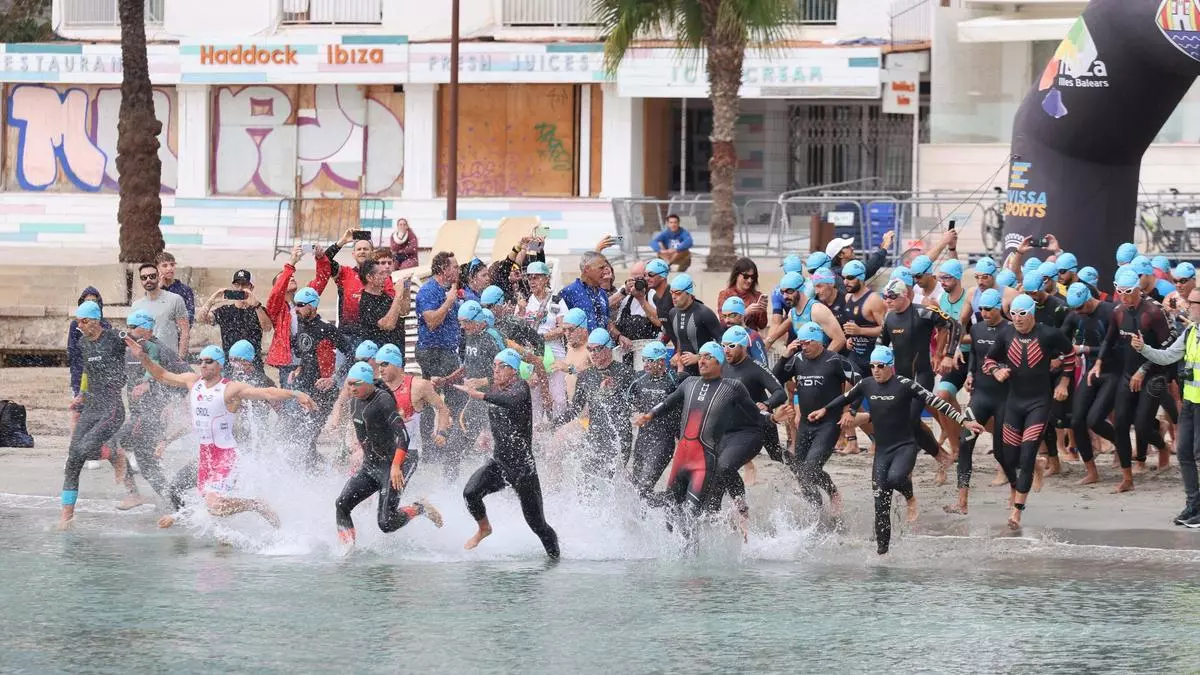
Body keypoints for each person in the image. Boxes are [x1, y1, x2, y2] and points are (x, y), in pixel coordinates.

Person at [810, 345, 981, 554]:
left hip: (904, 446)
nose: (875, 370)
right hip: (882, 451)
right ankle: (882, 555)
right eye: (872, 366)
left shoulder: (904, 384)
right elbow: (844, 399)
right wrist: (823, 410)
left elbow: (936, 402)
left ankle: (910, 498)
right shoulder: (867, 384)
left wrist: (964, 421)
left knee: (896, 477)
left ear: (890, 366)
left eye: (880, 366)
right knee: (880, 503)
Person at [131, 342, 317, 530]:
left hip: (225, 455)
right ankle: (223, 537)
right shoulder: (192, 382)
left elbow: (266, 392)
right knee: (211, 504)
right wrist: (143, 358)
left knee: (215, 506)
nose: (203, 365)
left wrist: (295, 393)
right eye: (201, 360)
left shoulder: (230, 389)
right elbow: (161, 374)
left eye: (209, 361)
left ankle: (256, 504)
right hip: (205, 456)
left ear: (219, 365)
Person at [634, 342, 764, 530]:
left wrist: (774, 417)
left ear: (719, 362)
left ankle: (697, 554)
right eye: (700, 356)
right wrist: (649, 415)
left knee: (690, 517)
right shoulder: (689, 383)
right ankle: (679, 556)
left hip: (702, 464)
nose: (701, 361)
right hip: (681, 460)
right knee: (671, 521)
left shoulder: (732, 387)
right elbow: (667, 403)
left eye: (708, 357)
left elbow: (755, 415)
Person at [456, 349, 560, 559]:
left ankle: (555, 557)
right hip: (499, 464)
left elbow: (511, 402)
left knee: (537, 525)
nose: (495, 371)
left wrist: (482, 395)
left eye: (500, 366)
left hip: (523, 470)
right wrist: (486, 432)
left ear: (513, 370)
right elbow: (498, 411)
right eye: (494, 366)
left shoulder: (520, 387)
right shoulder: (497, 389)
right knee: (470, 493)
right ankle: (484, 528)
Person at [982, 294, 1074, 528]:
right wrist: (996, 372)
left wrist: (1063, 383)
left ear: (1032, 313)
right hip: (1014, 402)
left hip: (1039, 403)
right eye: (1013, 314)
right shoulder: (1005, 334)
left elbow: (1070, 354)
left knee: (1027, 453)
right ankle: (1035, 469)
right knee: (1009, 458)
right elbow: (988, 360)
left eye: (1022, 314)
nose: (1018, 319)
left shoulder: (1048, 334)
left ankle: (1017, 511)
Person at [334, 362, 443, 549]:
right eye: (349, 384)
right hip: (369, 467)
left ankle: (420, 508)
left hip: (391, 468)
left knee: (386, 523)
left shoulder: (382, 400)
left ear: (368, 382)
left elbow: (404, 436)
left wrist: (395, 466)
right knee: (342, 504)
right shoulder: (354, 401)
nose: (352, 388)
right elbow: (365, 431)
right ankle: (348, 550)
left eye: (356, 384)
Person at [1093, 267, 1176, 491]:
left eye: (1129, 291)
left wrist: (1144, 370)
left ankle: (1162, 446)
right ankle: (1127, 478)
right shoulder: (1118, 311)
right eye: (1120, 292)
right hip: (1128, 374)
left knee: (1141, 427)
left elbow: (1167, 348)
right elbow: (1109, 340)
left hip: (1152, 375)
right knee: (1120, 425)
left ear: (1138, 289)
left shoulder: (1153, 313)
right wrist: (1098, 362)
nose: (1125, 296)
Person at [773, 322, 858, 514]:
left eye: (807, 343)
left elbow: (861, 384)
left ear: (819, 342)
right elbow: (775, 377)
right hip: (805, 424)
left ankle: (832, 491)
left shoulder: (835, 360)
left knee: (810, 468)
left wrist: (849, 410)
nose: (803, 347)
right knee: (799, 471)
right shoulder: (798, 360)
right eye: (801, 344)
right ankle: (815, 511)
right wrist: (786, 354)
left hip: (829, 424)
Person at [877, 278, 958, 479]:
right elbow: (880, 347)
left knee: (909, 420)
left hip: (922, 374)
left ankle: (907, 469)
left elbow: (954, 326)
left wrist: (944, 354)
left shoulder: (922, 312)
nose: (888, 301)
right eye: (885, 297)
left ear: (905, 295)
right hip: (901, 377)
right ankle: (942, 458)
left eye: (892, 297)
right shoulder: (889, 318)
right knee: (909, 422)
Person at [1133, 286, 1200, 526]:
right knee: (1184, 454)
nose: (1187, 306)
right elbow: (1167, 356)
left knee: (1198, 453)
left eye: (1193, 303)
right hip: (1191, 402)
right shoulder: (1191, 332)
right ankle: (1193, 505)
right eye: (1189, 302)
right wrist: (1144, 349)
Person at [58, 301, 128, 529]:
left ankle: (115, 455)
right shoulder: (83, 342)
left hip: (112, 408)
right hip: (91, 406)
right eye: (78, 321)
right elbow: (87, 370)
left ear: (96, 320)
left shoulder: (114, 339)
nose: (79, 325)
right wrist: (81, 394)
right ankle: (66, 516)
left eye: (83, 320)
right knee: (73, 458)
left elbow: (139, 346)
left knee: (85, 448)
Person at [945, 289, 1008, 515]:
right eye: (981, 309)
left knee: (1002, 452)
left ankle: (1016, 496)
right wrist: (970, 374)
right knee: (965, 443)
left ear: (999, 307)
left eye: (989, 309)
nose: (984, 313)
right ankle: (961, 501)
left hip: (1004, 397)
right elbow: (975, 354)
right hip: (981, 395)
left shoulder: (1009, 330)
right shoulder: (978, 328)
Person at [116, 311, 187, 510]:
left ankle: (133, 494)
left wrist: (165, 397)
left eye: (134, 327)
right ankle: (180, 507)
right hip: (140, 414)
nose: (129, 331)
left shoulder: (159, 349)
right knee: (147, 465)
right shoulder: (130, 349)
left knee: (112, 442)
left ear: (147, 329)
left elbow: (188, 377)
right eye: (128, 327)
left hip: (150, 416)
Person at [547, 328, 636, 478]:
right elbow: (575, 410)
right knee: (585, 480)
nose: (593, 354)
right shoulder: (585, 376)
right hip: (595, 436)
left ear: (608, 348)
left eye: (597, 349)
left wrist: (612, 392)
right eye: (590, 349)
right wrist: (552, 425)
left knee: (611, 480)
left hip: (619, 437)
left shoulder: (626, 373)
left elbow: (636, 402)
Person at [289, 287, 356, 470]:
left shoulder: (327, 328)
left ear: (312, 306)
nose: (296, 309)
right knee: (299, 429)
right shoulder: (302, 324)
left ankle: (312, 467)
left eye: (301, 305)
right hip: (305, 386)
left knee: (311, 430)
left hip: (324, 390)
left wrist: (334, 378)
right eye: (295, 305)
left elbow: (351, 354)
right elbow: (306, 352)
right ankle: (309, 466)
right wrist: (298, 368)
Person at [719, 325, 786, 505]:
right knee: (723, 465)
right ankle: (737, 503)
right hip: (736, 428)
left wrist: (767, 403)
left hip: (760, 423)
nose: (726, 350)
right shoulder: (723, 365)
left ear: (743, 346)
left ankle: (800, 476)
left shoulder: (756, 368)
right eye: (723, 345)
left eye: (731, 346)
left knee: (778, 456)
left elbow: (780, 392)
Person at [1063, 282, 1121, 486]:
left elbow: (1116, 347)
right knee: (1077, 420)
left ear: (1088, 299)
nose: (1078, 313)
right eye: (1075, 309)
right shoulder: (1075, 315)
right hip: (1091, 373)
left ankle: (1121, 445)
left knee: (1094, 420)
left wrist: (1085, 350)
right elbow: (1061, 340)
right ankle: (1091, 471)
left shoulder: (1110, 311)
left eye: (1080, 308)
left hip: (1113, 372)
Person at [265, 244, 324, 388]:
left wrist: (321, 258)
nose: (291, 276)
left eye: (292, 276)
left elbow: (321, 279)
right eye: (286, 278)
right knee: (290, 405)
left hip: (310, 360)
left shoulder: (305, 300)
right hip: (289, 363)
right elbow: (276, 292)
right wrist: (291, 263)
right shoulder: (276, 310)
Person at [375, 344, 453, 453]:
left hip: (409, 451)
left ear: (397, 364)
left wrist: (441, 433)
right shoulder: (376, 387)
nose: (380, 369)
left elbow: (442, 408)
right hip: (383, 450)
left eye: (384, 364)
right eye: (378, 365)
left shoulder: (418, 386)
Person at [627, 342, 679, 497]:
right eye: (644, 360)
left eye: (650, 360)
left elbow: (683, 407)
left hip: (663, 442)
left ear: (661, 361)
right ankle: (645, 518)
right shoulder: (638, 378)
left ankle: (672, 501)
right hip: (642, 441)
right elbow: (627, 402)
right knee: (635, 488)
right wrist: (635, 413)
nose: (646, 364)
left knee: (643, 489)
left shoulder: (674, 380)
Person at [317, 228, 395, 328]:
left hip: (375, 331)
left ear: (372, 254)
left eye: (365, 249)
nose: (362, 251)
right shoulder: (344, 272)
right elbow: (325, 260)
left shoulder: (383, 276)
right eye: (359, 249)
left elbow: (391, 303)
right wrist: (343, 241)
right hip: (348, 332)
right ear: (353, 254)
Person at [197, 269, 271, 371]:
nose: (240, 288)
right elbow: (201, 319)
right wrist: (211, 301)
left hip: (253, 365)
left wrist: (256, 305)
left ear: (251, 287)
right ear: (233, 287)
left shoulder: (258, 310)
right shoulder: (224, 311)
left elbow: (267, 328)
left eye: (244, 284)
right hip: (230, 366)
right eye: (237, 285)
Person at [664, 274, 724, 378]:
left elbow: (722, 343)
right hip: (684, 371)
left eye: (678, 293)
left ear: (689, 293)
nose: (673, 297)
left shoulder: (704, 313)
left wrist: (699, 357)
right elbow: (680, 339)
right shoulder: (672, 313)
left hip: (704, 371)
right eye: (672, 293)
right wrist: (678, 354)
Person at [131, 262, 190, 357]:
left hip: (169, 358)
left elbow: (185, 331)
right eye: (144, 277)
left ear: (159, 277)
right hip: (146, 359)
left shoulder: (175, 299)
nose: (148, 280)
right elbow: (134, 334)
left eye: (152, 276)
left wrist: (180, 358)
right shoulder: (136, 305)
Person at [842, 260, 887, 374]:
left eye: (850, 278)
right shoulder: (848, 298)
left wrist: (860, 331)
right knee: (850, 391)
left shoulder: (874, 300)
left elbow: (886, 330)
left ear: (861, 278)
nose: (845, 282)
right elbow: (853, 328)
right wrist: (849, 339)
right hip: (854, 356)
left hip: (872, 359)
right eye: (844, 278)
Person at [355, 259, 412, 351]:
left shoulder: (385, 295)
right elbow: (388, 325)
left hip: (396, 350)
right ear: (369, 277)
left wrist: (406, 289)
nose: (386, 277)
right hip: (379, 356)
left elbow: (404, 311)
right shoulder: (366, 301)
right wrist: (397, 295)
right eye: (381, 274)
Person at [68, 286, 110, 399]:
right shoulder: (75, 325)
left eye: (93, 301)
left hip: (100, 374)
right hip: (80, 369)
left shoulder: (105, 325)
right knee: (79, 406)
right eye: (87, 301)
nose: (91, 304)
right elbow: (72, 351)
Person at [560, 251, 612, 331]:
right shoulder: (569, 292)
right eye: (601, 268)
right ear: (587, 269)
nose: (605, 272)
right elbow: (560, 325)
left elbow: (607, 322)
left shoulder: (602, 294)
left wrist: (619, 336)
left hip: (602, 342)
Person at [715, 258, 768, 332]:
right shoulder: (725, 295)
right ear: (737, 275)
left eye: (752, 277)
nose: (749, 280)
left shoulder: (757, 295)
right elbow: (723, 323)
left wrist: (763, 311)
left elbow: (762, 325)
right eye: (746, 277)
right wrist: (744, 313)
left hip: (750, 338)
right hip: (732, 338)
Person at [827, 230, 895, 282]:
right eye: (848, 247)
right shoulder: (837, 273)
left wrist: (882, 247)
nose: (852, 248)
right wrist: (886, 246)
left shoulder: (836, 271)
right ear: (840, 255)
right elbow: (869, 268)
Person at [719, 297, 768, 366]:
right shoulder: (725, 337)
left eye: (732, 315)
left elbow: (764, 367)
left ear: (742, 315)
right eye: (724, 316)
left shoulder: (752, 336)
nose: (727, 320)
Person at [156, 251, 196, 326]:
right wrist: (158, 288)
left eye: (172, 265)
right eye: (165, 266)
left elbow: (190, 317)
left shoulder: (185, 290)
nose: (169, 268)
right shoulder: (153, 290)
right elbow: (148, 312)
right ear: (157, 268)